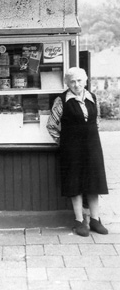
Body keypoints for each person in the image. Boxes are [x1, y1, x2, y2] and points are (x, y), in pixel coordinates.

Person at [47, 67, 109, 237]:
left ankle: (95, 220)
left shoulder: (92, 97)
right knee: (75, 182)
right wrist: (64, 142)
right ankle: (80, 221)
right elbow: (51, 125)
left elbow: (97, 122)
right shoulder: (62, 100)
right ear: (67, 83)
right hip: (71, 149)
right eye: (72, 81)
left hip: (92, 146)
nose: (76, 84)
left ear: (86, 81)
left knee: (94, 181)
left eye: (79, 80)